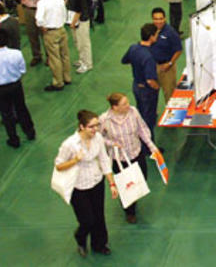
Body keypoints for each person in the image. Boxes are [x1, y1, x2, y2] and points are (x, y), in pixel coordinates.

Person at [54, 110, 118, 257]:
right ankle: (80, 238)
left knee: (99, 216)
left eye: (97, 125)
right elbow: (58, 166)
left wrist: (111, 183)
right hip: (79, 187)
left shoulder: (98, 139)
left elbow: (104, 160)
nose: (96, 130)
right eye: (91, 127)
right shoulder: (69, 144)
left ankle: (99, 244)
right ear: (82, 127)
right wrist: (75, 160)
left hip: (96, 182)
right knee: (87, 220)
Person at [100, 92, 159, 224]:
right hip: (119, 159)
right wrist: (111, 143)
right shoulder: (105, 120)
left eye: (127, 102)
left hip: (136, 153)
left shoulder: (133, 112)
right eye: (124, 104)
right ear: (115, 107)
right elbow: (97, 137)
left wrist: (151, 146)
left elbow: (141, 129)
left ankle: (133, 198)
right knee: (126, 185)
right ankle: (129, 211)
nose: (128, 105)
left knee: (142, 178)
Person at [0, 28, 35, 148]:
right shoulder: (16, 54)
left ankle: (13, 139)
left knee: (6, 114)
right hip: (16, 86)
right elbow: (22, 70)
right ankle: (30, 132)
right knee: (21, 109)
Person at [121, 24, 160, 141]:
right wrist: (157, 87)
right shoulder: (148, 57)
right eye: (156, 34)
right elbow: (150, 80)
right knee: (149, 119)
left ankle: (141, 139)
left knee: (141, 114)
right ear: (151, 37)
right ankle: (148, 146)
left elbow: (124, 60)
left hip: (136, 86)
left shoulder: (133, 48)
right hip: (147, 90)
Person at [36, 0, 70, 91]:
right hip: (61, 29)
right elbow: (64, 12)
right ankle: (67, 77)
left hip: (51, 32)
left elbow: (39, 19)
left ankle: (58, 82)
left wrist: (42, 26)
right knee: (64, 54)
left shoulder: (42, 2)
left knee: (54, 58)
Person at [14, 0, 46, 65]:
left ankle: (50, 56)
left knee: (45, 33)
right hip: (28, 9)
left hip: (41, 9)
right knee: (32, 34)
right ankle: (36, 56)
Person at [63, 0, 92, 74]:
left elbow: (79, 9)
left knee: (83, 43)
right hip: (74, 19)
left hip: (81, 20)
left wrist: (73, 22)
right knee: (77, 41)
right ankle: (82, 59)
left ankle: (87, 64)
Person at [150, 7, 182, 104]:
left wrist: (170, 63)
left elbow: (178, 50)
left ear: (165, 19)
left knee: (169, 94)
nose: (158, 21)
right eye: (155, 19)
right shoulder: (150, 30)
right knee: (151, 93)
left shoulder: (171, 33)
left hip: (167, 68)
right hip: (153, 67)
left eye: (160, 19)